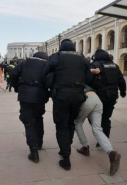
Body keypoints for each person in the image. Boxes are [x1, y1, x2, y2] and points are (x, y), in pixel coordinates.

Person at [42, 39, 91, 170]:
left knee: (61, 124)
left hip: (61, 96)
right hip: (78, 96)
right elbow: (90, 76)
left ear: (61, 47)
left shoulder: (56, 57)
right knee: (70, 123)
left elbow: (45, 72)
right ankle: (66, 147)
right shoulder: (82, 58)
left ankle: (66, 157)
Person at [10, 52, 50, 163]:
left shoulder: (25, 62)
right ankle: (39, 142)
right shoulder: (47, 65)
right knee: (38, 117)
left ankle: (34, 152)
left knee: (28, 122)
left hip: (25, 95)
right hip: (40, 96)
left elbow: (13, 74)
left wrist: (17, 87)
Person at [74, 84, 121, 176]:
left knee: (78, 123)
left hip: (86, 99)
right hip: (97, 99)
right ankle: (111, 152)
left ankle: (85, 147)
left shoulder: (72, 81)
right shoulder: (81, 78)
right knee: (97, 129)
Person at [90, 49, 126, 141]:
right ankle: (105, 137)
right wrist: (123, 91)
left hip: (99, 96)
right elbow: (121, 80)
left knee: (93, 117)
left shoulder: (94, 65)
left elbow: (88, 79)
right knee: (106, 117)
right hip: (112, 96)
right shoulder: (115, 66)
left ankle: (100, 136)